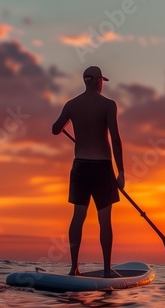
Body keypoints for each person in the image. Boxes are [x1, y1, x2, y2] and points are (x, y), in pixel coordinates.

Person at [51, 66, 125, 277]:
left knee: (78, 217)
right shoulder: (108, 105)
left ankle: (74, 267)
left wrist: (69, 121)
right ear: (96, 81)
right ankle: (107, 269)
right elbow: (116, 139)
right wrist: (121, 172)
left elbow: (55, 129)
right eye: (102, 80)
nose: (102, 84)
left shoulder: (71, 105)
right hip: (102, 169)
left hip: (80, 167)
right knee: (104, 219)